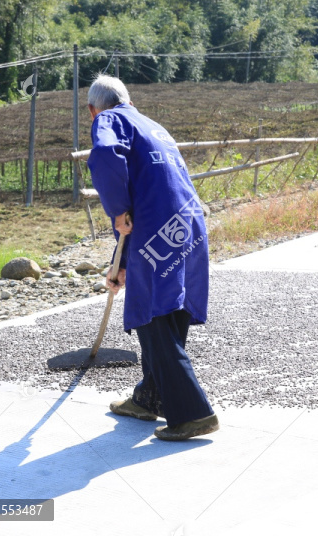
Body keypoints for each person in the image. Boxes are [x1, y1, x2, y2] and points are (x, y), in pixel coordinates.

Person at [85, 74, 218, 441]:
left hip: (156, 227)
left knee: (152, 315)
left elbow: (105, 157)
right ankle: (149, 398)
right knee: (171, 309)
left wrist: (116, 209)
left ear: (93, 110)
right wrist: (122, 263)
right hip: (189, 223)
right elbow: (153, 184)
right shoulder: (153, 126)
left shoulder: (109, 120)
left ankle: (193, 413)